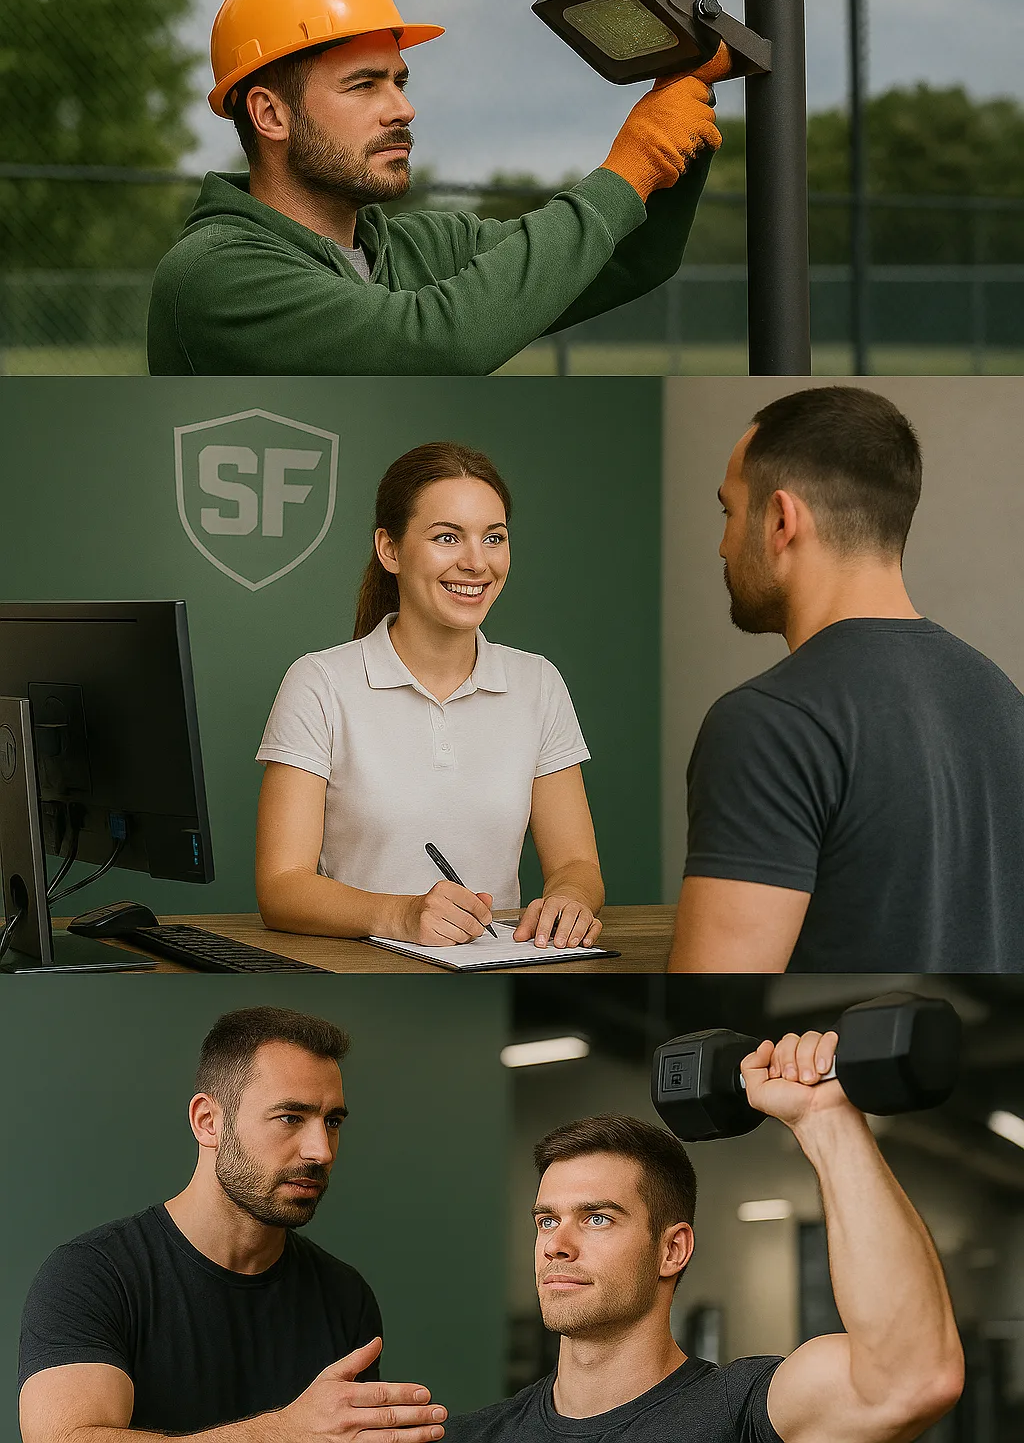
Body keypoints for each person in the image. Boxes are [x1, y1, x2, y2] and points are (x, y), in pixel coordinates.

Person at [147, 0, 728, 376]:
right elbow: (435, 347)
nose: (402, 108)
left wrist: (685, 102)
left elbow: (630, 258)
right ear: (271, 115)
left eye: (399, 81)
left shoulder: (417, 250)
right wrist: (631, 164)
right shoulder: (218, 275)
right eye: (363, 86)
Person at [444, 1030, 963, 1443]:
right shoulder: (474, 1434)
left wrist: (826, 1120)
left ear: (672, 1250)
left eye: (597, 1218)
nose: (557, 1244)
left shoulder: (741, 1414)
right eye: (547, 1220)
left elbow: (912, 1380)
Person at [668, 384, 1024, 975]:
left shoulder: (767, 723)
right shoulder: (1004, 701)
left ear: (782, 520)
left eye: (729, 512)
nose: (723, 544)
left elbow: (715, 1000)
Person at [19, 1006, 448, 1443]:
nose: (321, 1151)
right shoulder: (91, 1275)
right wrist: (283, 1434)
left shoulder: (344, 1295)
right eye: (290, 1118)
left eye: (332, 1122)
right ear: (209, 1122)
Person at [255, 441, 603, 949]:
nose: (476, 562)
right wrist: (399, 914)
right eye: (447, 537)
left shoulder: (539, 682)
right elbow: (281, 887)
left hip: (493, 965)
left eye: (494, 538)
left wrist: (569, 900)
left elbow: (577, 864)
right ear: (389, 550)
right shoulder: (318, 682)